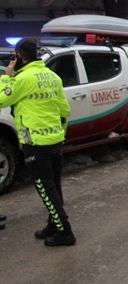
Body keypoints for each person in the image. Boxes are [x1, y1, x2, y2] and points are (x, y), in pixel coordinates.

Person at [0, 38, 74, 246]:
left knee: (45, 188)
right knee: (54, 187)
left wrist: (6, 78)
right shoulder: (52, 76)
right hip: (55, 140)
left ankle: (65, 231)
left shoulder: (22, 79)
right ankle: (54, 224)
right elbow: (64, 111)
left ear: (19, 57)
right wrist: (60, 134)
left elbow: (1, 100)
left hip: (36, 142)